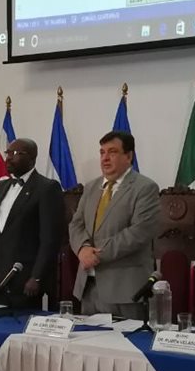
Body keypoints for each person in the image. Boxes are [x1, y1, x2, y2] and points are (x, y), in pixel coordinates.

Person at [69, 130, 162, 319]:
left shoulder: (145, 188)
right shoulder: (91, 187)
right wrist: (82, 249)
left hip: (124, 291)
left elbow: (138, 233)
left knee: (124, 347)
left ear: (128, 156)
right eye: (102, 152)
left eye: (112, 152)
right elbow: (76, 224)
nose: (105, 158)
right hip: (88, 287)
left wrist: (96, 254)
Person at [0, 138, 64, 310]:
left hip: (26, 280)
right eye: (7, 153)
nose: (9, 158)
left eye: (15, 153)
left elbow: (49, 239)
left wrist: (37, 277)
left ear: (32, 157)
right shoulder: (1, 186)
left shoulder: (46, 188)